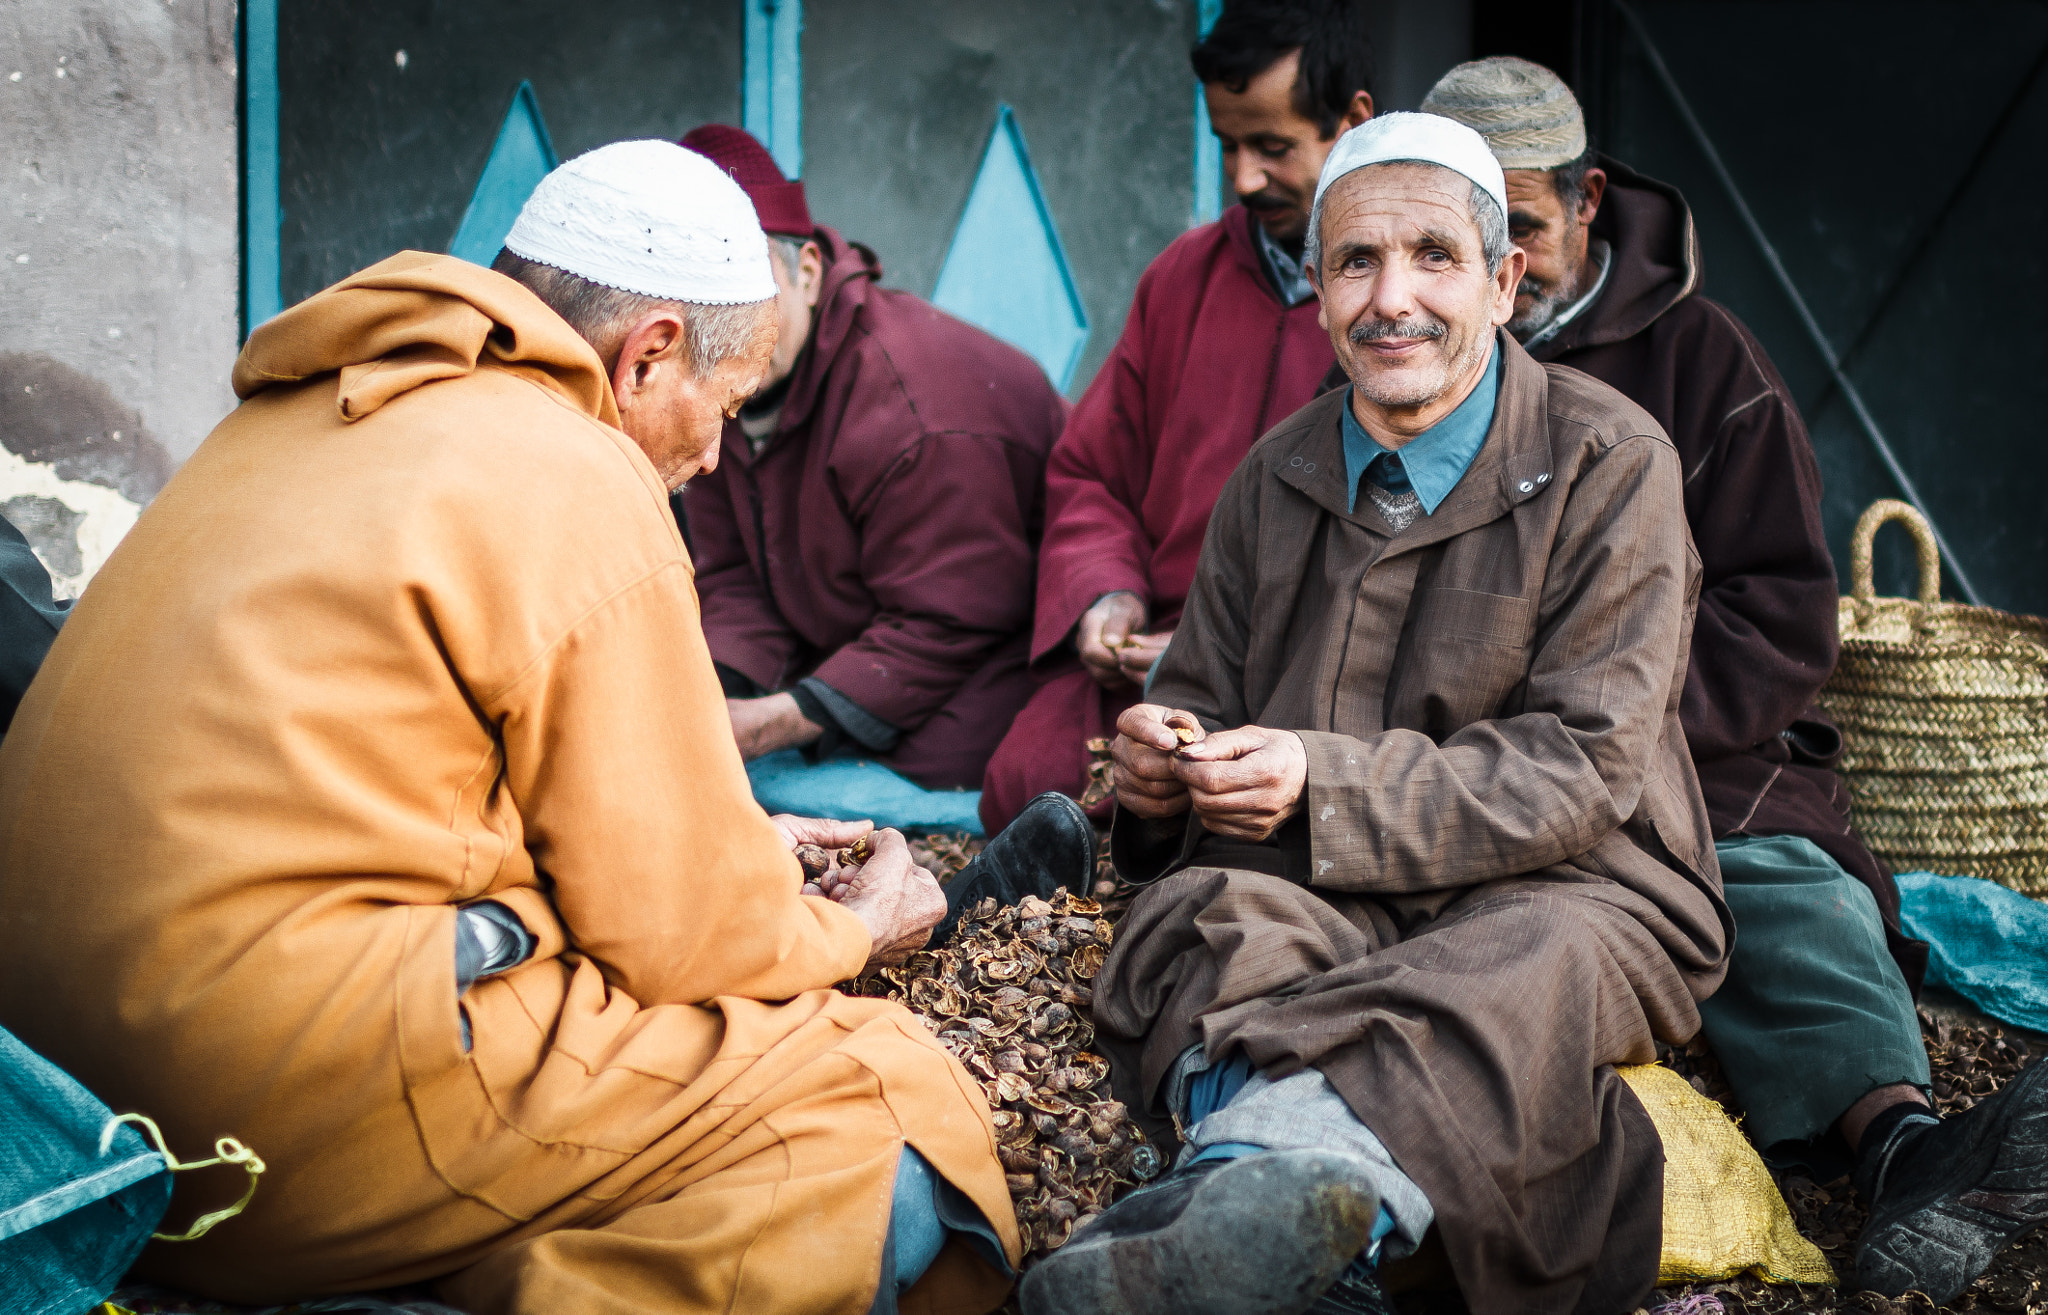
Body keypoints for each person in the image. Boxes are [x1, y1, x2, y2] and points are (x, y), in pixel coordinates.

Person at [0, 141, 1091, 1315]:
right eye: (721, 405)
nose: (717, 452)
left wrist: (733, 839)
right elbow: (682, 940)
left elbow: (380, 783)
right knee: (880, 1089)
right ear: (649, 352)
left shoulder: (296, 414)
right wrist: (857, 927)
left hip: (57, 1112)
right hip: (247, 1128)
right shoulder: (570, 465)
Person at [1023, 113, 1726, 1315]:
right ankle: (1313, 1247)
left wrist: (1318, 779)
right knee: (1196, 919)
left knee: (1510, 970)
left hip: (1573, 883)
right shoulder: (1276, 472)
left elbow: (1583, 762)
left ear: (1504, 282)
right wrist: (1155, 776)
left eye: (1432, 258)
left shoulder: (1611, 461)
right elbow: (1197, 700)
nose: (1389, 297)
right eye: (1354, 262)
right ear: (1318, 292)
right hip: (1315, 882)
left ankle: (1259, 1175)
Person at [1422, 56, 2048, 1305]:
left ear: (1588, 199)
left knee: (1775, 888)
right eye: (1451, 238)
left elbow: (1779, 615)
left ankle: (1906, 1154)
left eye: (1523, 232)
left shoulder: (1707, 362)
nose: (1490, 272)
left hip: (1696, 752)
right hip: (1464, 758)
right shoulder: (1402, 362)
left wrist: (1620, 733)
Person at [977, 0, 1374, 834]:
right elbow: (1092, 472)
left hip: (1308, 679)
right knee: (1028, 777)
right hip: (1146, 663)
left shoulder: (1393, 312)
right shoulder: (1181, 278)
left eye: (1273, 147)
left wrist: (1219, 650)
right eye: (1228, 145)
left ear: (1352, 123)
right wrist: (1106, 592)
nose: (1243, 179)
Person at [674, 124, 1066, 835]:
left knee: (821, 806)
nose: (719, 322)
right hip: (842, 663)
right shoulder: (709, 386)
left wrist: (770, 722)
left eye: (744, 281)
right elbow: (728, 572)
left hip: (977, 683)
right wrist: (711, 696)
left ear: (810, 271)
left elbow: (949, 621)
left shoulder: (916, 409)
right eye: (696, 290)